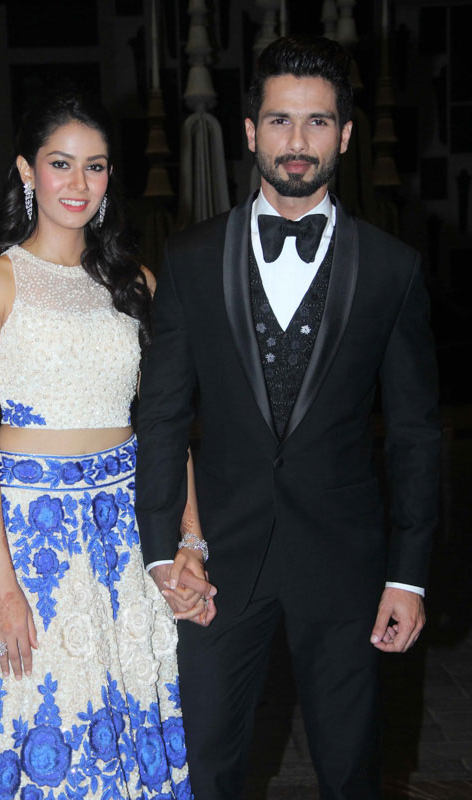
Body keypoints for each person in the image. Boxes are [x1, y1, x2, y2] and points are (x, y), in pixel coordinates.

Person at [135, 36, 440, 800]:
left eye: (316, 122)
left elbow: (413, 435)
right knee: (205, 764)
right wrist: (164, 551)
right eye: (279, 120)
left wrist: (407, 575)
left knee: (350, 771)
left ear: (344, 135)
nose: (296, 141)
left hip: (344, 561)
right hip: (216, 564)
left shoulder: (392, 268)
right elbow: (163, 416)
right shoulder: (190, 258)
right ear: (249, 131)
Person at [0, 90, 212, 799]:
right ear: (26, 170)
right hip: (29, 542)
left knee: (127, 732)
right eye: (60, 163)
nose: (78, 182)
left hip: (122, 535)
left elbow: (164, 429)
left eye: (95, 166)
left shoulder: (136, 284)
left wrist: (191, 539)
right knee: (31, 727)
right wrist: (0, 585)